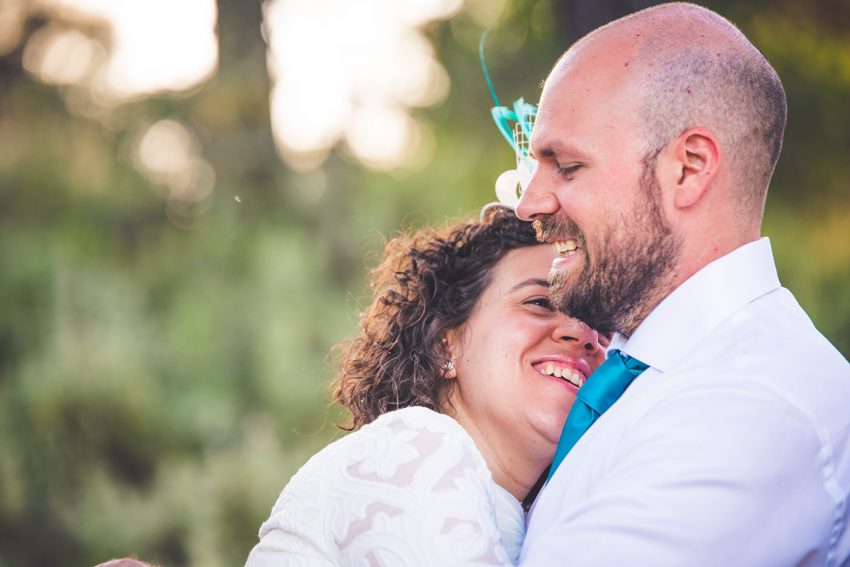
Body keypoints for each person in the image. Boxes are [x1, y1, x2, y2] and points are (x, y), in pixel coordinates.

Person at [513, 2, 850, 565]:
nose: (529, 204)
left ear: (689, 169)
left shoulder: (752, 411)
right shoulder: (625, 369)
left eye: (566, 167)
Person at [245, 206, 605, 566]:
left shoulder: (547, 521)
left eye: (601, 326)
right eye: (540, 302)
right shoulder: (417, 445)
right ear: (443, 343)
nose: (585, 334)